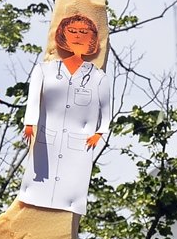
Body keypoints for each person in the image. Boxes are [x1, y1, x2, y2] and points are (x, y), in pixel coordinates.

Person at [18, 12, 111, 216]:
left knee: (70, 184)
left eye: (83, 32)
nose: (78, 35)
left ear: (92, 38)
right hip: (47, 136)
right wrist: (29, 123)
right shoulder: (44, 70)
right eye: (73, 31)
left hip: (78, 143)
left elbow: (106, 111)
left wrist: (100, 133)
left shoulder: (98, 77)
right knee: (38, 185)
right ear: (63, 35)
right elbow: (33, 100)